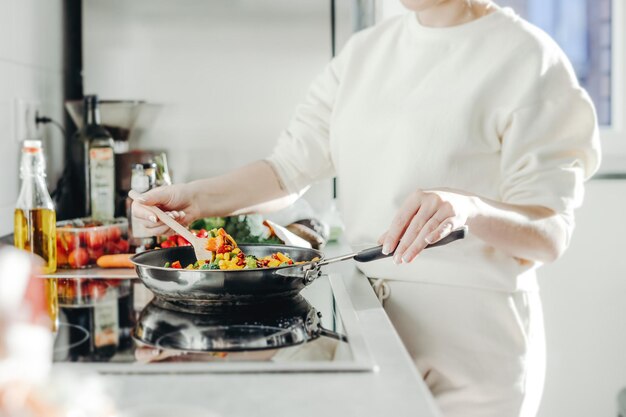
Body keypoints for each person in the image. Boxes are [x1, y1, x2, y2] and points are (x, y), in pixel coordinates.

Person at [132, 0, 601, 416]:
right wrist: (194, 200)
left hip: (476, 350)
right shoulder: (364, 52)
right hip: (368, 328)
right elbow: (287, 169)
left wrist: (470, 208)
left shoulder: (529, 58)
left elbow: (550, 231)